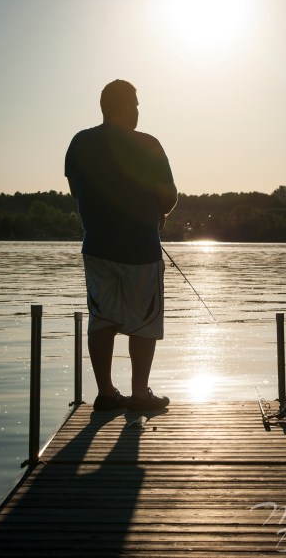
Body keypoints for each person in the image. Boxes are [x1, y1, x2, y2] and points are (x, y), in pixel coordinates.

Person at [65, 80, 177, 411]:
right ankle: (140, 394)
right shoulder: (148, 145)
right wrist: (160, 211)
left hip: (98, 248)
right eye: (137, 105)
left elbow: (76, 190)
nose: (139, 111)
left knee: (101, 318)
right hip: (140, 250)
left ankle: (106, 393)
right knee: (144, 321)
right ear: (126, 106)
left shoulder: (80, 143)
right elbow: (168, 195)